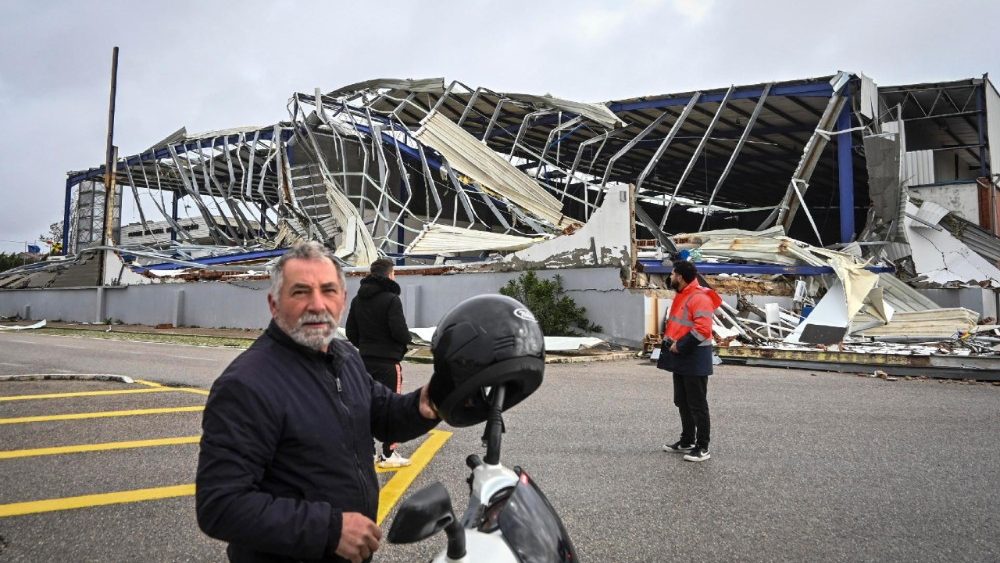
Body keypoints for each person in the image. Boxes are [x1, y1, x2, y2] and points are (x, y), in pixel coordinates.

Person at [196, 241, 439, 563]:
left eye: (328, 291)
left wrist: (427, 403)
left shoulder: (345, 357)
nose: (317, 304)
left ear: (342, 300)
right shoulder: (246, 385)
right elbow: (221, 505)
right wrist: (330, 529)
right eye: (300, 292)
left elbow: (383, 414)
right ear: (273, 304)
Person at [345, 257, 413, 469]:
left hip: (364, 361)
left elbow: (350, 332)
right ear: (389, 274)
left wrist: (365, 346)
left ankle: (369, 452)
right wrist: (405, 342)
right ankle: (388, 454)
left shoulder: (358, 299)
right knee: (391, 407)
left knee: (366, 406)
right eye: (394, 273)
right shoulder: (391, 299)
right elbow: (399, 331)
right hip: (388, 362)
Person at [659, 259, 722, 462]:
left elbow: (703, 329)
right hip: (682, 356)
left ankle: (703, 447)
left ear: (680, 277)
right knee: (682, 401)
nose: (670, 277)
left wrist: (680, 345)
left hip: (694, 357)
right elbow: (679, 324)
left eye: (672, 274)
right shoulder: (683, 295)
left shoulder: (699, 297)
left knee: (697, 404)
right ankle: (687, 441)